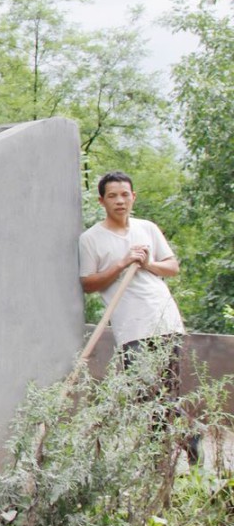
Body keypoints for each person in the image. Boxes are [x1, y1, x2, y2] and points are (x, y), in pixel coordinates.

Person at [78, 170, 195, 456]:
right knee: (143, 394)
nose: (120, 201)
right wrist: (122, 263)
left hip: (164, 318)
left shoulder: (147, 228)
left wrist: (147, 263)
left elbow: (172, 267)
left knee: (168, 392)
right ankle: (173, 447)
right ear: (102, 201)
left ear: (133, 197)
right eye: (113, 196)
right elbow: (88, 283)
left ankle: (179, 451)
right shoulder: (91, 238)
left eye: (125, 194)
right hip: (131, 327)